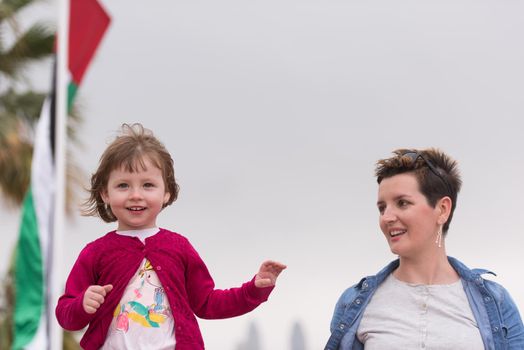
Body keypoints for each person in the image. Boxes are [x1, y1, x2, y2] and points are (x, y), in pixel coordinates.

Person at [56, 123, 286, 350]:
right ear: (105, 193)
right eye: (123, 185)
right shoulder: (95, 252)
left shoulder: (178, 247)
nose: (136, 195)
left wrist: (254, 289)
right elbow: (66, 317)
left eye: (148, 185)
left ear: (166, 192)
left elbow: (207, 303)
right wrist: (81, 304)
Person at [325, 148, 524, 350]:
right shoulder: (353, 303)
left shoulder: (496, 302)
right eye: (382, 208)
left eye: (402, 203)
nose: (386, 217)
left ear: (442, 209)